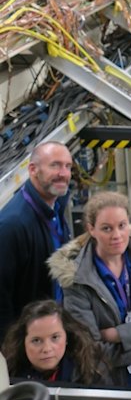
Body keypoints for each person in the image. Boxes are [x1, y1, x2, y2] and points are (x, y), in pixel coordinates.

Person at [47, 192, 131, 388]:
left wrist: (117, 334)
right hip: (112, 378)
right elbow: (91, 347)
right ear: (91, 229)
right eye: (106, 228)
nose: (116, 236)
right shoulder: (76, 280)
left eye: (122, 226)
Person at [0, 141, 72, 341]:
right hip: (29, 341)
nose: (63, 173)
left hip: (54, 327)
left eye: (68, 166)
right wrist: (11, 347)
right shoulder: (13, 225)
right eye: (55, 165)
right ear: (33, 169)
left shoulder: (56, 207)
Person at [2, 300, 111, 386]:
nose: (47, 349)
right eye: (36, 340)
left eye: (55, 337)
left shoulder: (91, 370)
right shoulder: (6, 373)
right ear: (23, 342)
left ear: (67, 337)